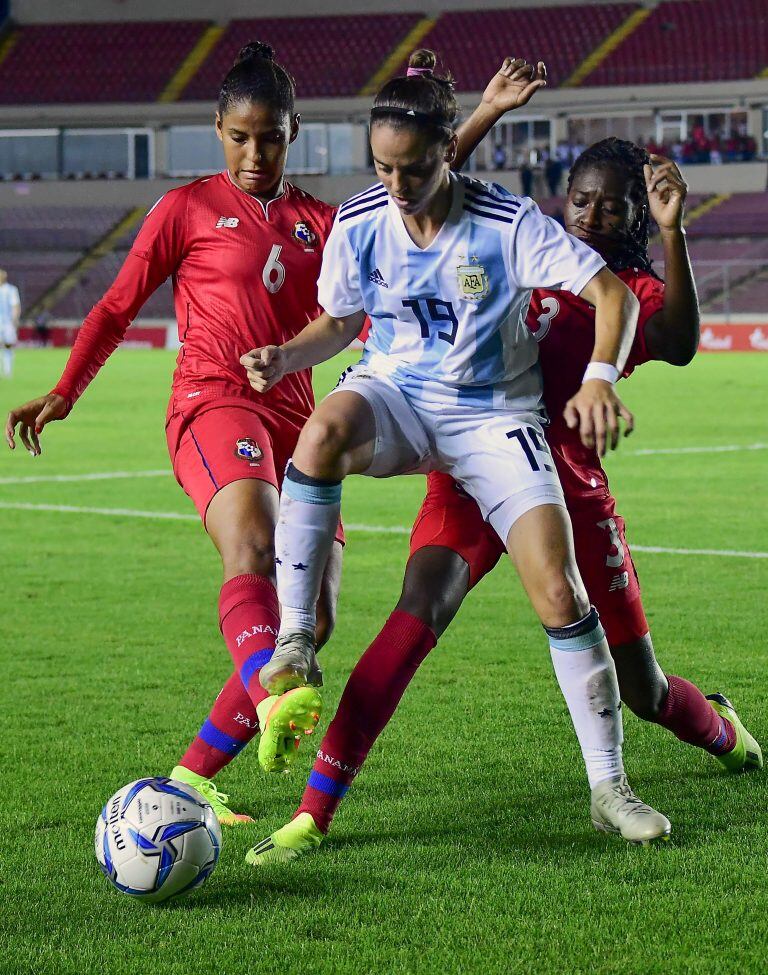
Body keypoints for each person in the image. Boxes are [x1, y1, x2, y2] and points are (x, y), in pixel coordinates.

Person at [4, 44, 550, 824]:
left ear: (294, 132)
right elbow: (117, 306)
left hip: (299, 425)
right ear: (218, 131)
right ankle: (274, 693)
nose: (254, 153)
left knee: (316, 616)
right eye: (238, 136)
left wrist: (483, 113)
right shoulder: (184, 208)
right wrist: (65, 389)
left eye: (270, 137)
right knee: (255, 551)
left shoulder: (325, 223)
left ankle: (189, 779)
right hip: (213, 402)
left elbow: (414, 183)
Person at [245, 138, 762, 865]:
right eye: (581, 199)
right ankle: (313, 812)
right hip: (469, 467)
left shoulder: (625, 286)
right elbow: (438, 188)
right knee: (414, 616)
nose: (591, 215)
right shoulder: (529, 244)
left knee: (641, 686)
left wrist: (673, 232)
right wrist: (470, 115)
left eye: (612, 205)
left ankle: (721, 732)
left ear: (634, 213)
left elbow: (677, 342)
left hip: (569, 490)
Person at [0, 269, 21, 378]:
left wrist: (15, 320)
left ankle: (7, 371)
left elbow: (16, 306)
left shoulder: (11, 290)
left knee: (8, 346)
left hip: (7, 323)